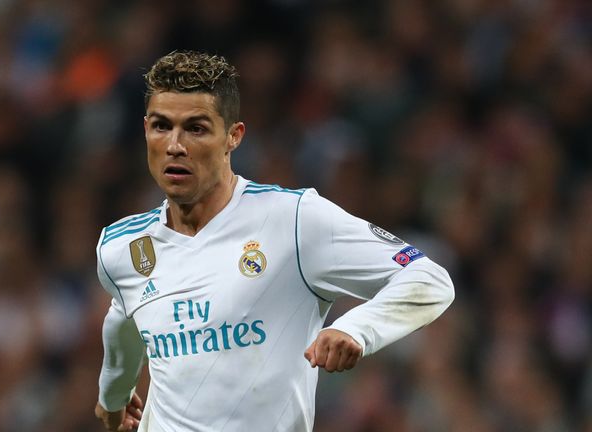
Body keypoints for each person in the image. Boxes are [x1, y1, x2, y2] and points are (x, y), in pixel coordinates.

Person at [94, 50, 454, 432]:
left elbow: (429, 280)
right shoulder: (122, 247)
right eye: (161, 126)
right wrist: (112, 397)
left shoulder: (294, 220)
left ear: (234, 136)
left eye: (196, 128)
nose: (175, 146)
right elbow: (125, 318)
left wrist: (357, 329)